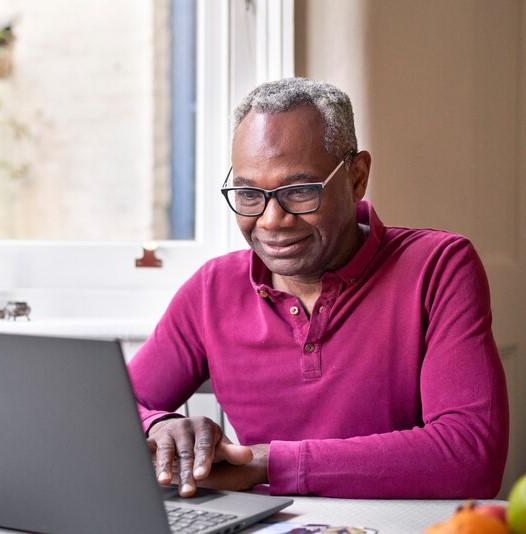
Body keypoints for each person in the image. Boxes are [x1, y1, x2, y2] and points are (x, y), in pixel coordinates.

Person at [129, 78, 508, 499]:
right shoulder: (212, 289)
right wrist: (161, 427)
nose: (272, 220)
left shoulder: (438, 266)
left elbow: (472, 456)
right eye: (250, 194)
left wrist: (266, 463)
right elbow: (111, 409)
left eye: (299, 191)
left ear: (357, 177)